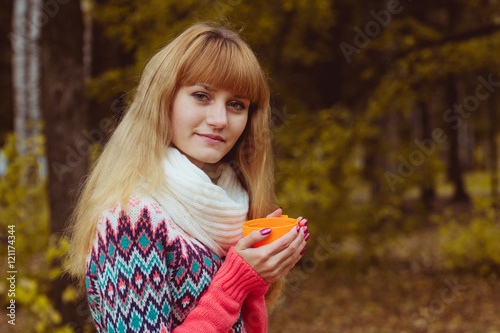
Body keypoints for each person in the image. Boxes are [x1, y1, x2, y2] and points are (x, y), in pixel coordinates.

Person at [67, 22, 310, 333]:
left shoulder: (229, 208)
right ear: (164, 98)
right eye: (201, 96)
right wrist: (235, 282)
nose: (219, 120)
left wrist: (258, 276)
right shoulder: (130, 220)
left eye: (236, 104)